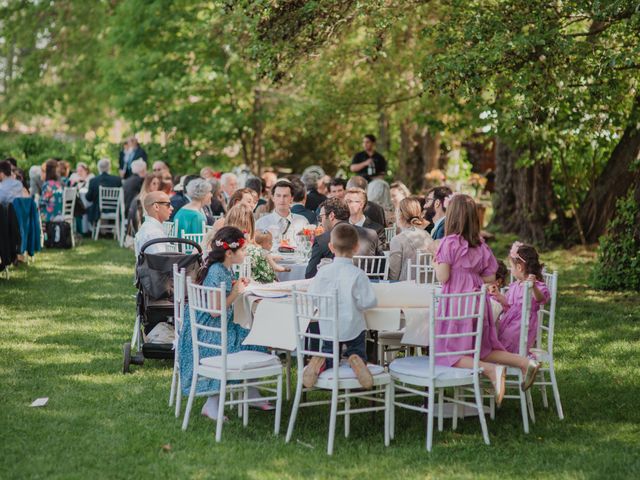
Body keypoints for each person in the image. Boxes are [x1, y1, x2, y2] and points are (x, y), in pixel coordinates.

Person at [432, 194, 541, 406]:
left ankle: (490, 370)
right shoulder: (480, 245)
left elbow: (443, 276)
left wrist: (436, 261)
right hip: (476, 303)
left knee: (444, 352)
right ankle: (524, 362)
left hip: (456, 305)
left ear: (452, 217)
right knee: (482, 349)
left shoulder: (448, 243)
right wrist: (470, 276)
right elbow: (490, 277)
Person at [178, 226, 273, 421]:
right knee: (253, 341)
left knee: (257, 337)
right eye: (243, 250)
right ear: (229, 253)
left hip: (214, 327)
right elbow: (214, 311)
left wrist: (234, 285)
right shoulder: (216, 271)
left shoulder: (222, 268)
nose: (245, 253)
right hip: (208, 333)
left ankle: (251, 392)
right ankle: (213, 404)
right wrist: (236, 292)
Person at [303, 223, 378, 389]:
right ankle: (356, 359)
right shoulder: (358, 274)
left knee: (330, 353)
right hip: (353, 327)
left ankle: (322, 360)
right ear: (357, 247)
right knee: (357, 348)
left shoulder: (322, 272)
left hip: (329, 328)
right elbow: (368, 302)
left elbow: (312, 296)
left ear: (330, 247)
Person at [305, 198, 381, 278]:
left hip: (339, 287)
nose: (321, 221)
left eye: (321, 217)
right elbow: (381, 266)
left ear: (331, 216)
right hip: (370, 284)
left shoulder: (322, 239)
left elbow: (310, 274)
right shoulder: (371, 234)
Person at [497, 242, 550, 354]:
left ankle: (507, 360)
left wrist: (533, 287)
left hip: (523, 325)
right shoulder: (516, 285)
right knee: (495, 332)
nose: (511, 270)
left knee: (507, 337)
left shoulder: (536, 285)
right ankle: (499, 359)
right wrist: (498, 296)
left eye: (512, 267)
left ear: (519, 267)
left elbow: (541, 299)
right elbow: (508, 304)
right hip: (510, 321)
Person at [387, 197, 434, 281]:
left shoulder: (398, 240)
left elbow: (393, 275)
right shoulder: (426, 235)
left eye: (397, 211)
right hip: (428, 285)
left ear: (400, 214)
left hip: (406, 287)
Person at [255, 180, 309, 246]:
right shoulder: (261, 223)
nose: (282, 200)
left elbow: (307, 246)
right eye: (278, 195)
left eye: (285, 196)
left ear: (292, 198)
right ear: (273, 198)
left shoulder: (302, 222)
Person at [134, 191, 173, 256]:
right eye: (168, 205)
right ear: (156, 207)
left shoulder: (149, 227)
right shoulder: (154, 233)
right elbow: (162, 262)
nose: (172, 208)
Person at [86, 158, 122, 225]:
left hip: (98, 211)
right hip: (114, 209)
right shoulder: (117, 180)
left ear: (99, 168)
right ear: (109, 167)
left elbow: (88, 198)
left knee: (89, 207)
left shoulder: (93, 180)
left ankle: (94, 230)